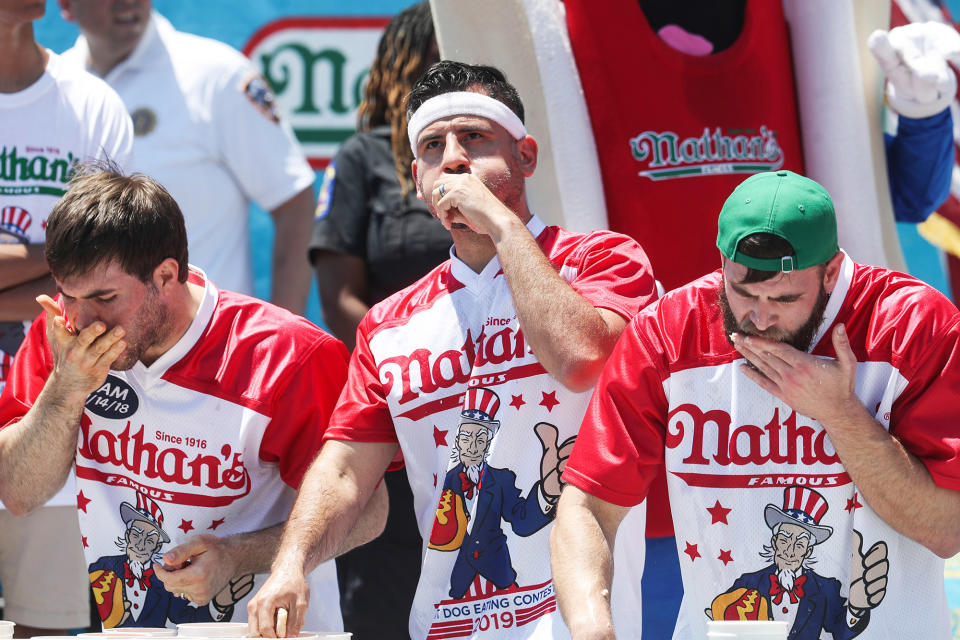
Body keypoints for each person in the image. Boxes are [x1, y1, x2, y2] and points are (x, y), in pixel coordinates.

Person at [246, 60, 658, 639]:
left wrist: (503, 226)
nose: (455, 158)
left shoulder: (605, 261)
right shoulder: (388, 325)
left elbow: (580, 358)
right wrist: (291, 562)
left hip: (580, 623)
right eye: (434, 146)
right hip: (445, 622)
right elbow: (343, 472)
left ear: (527, 156)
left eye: (475, 138)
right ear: (418, 179)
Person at [552, 170, 960, 639]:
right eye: (743, 292)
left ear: (830, 272)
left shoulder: (913, 326)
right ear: (722, 261)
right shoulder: (669, 332)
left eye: (785, 298)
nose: (759, 317)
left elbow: (945, 529)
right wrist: (589, 623)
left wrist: (842, 415)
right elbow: (586, 505)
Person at [0, 166, 387, 631]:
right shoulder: (65, 338)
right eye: (68, 296)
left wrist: (240, 556)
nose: (83, 321)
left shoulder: (288, 355)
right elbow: (19, 493)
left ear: (165, 276)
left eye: (104, 297)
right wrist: (66, 391)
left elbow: (369, 510)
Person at [308, 4, 448, 636]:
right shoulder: (363, 157)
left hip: (483, 411)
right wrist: (410, 372)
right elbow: (338, 297)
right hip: (391, 411)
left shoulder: (498, 161)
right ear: (407, 61)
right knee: (387, 598)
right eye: (443, 54)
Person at [0, 2, 133, 636]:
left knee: (44, 623)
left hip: (52, 390)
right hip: (52, 346)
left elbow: (99, 265)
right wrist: (52, 265)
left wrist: (62, 274)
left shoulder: (89, 103)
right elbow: (69, 266)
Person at [58, 0, 315, 313]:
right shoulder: (57, 86)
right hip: (88, 350)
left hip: (214, 351)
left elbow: (294, 202)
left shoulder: (216, 75)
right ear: (66, 5)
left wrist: (282, 331)